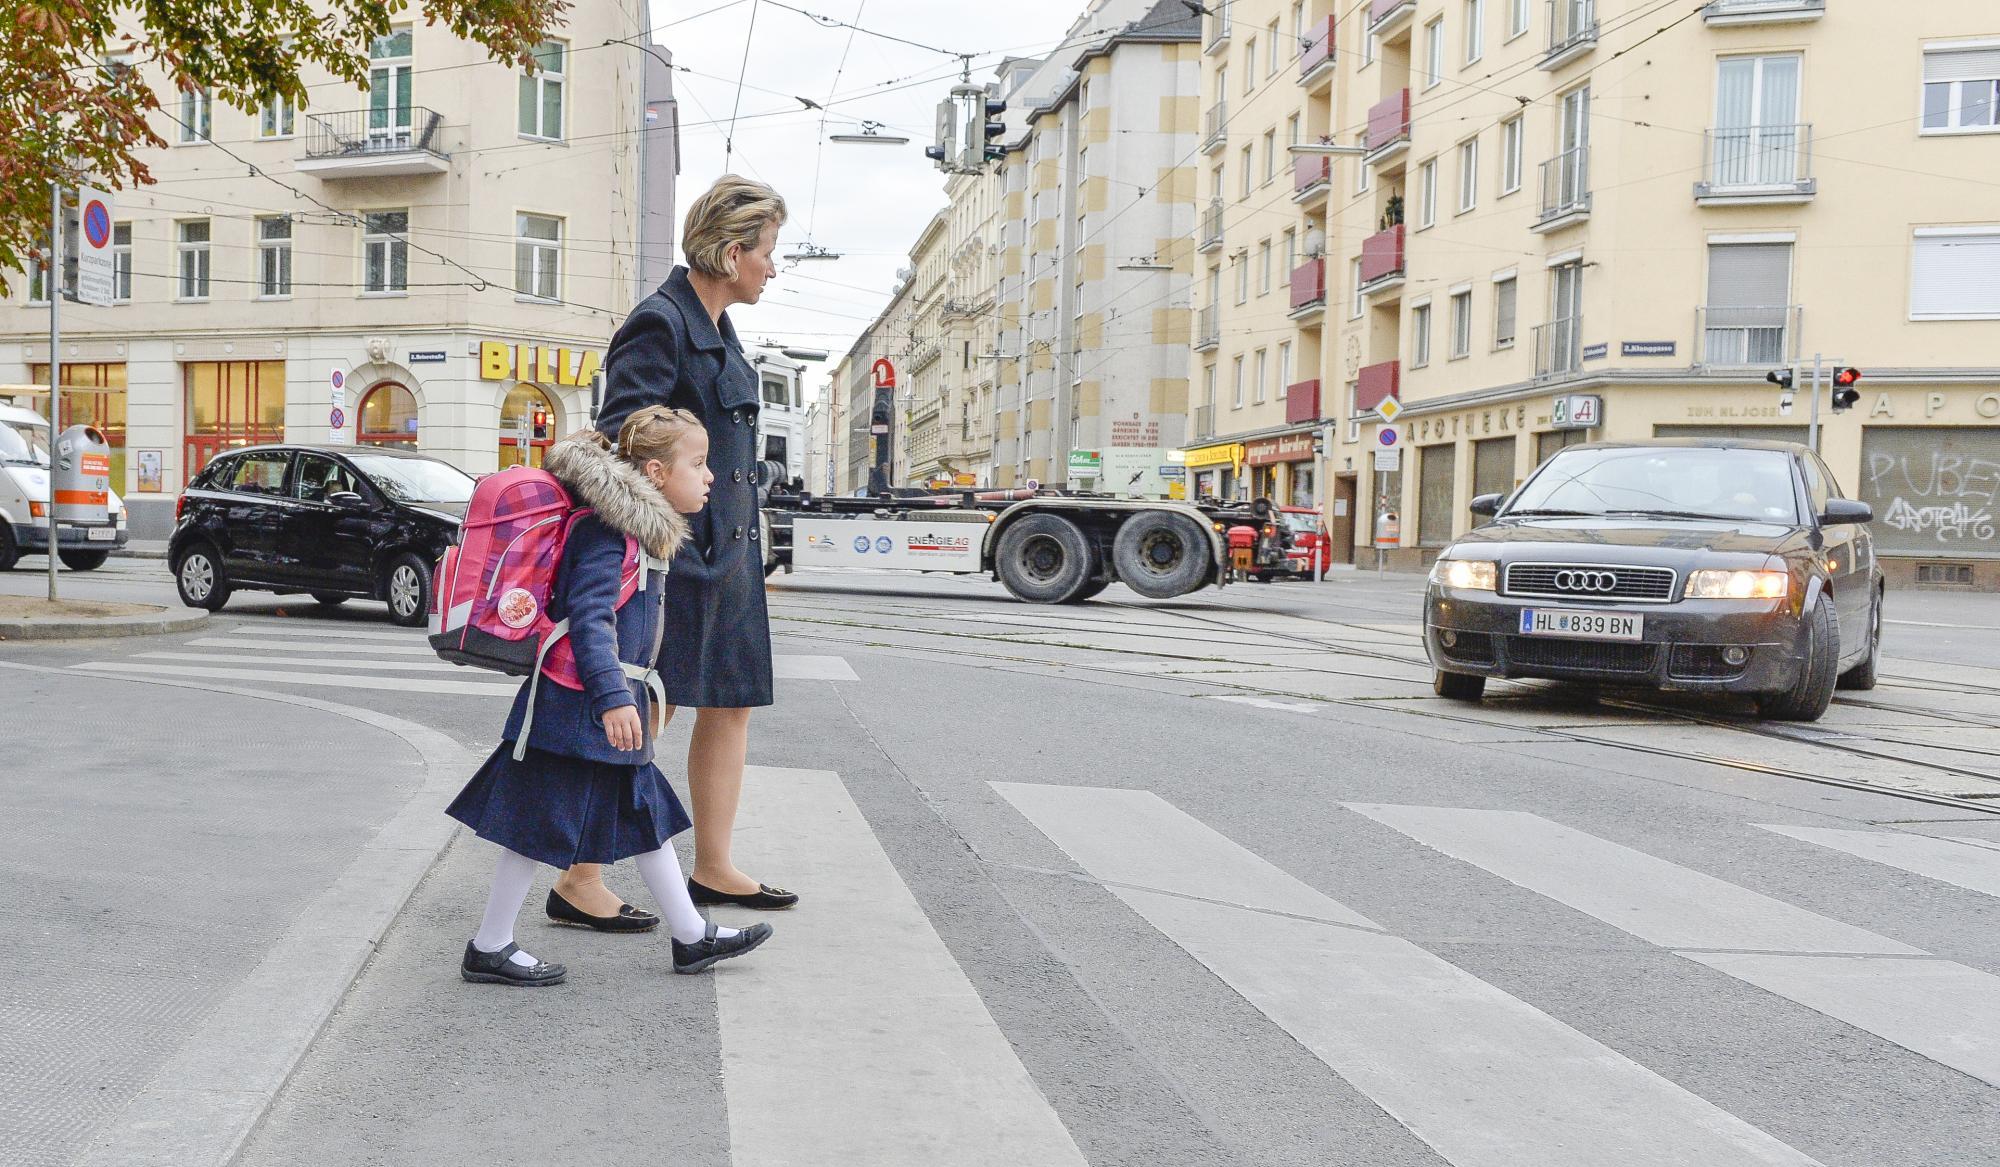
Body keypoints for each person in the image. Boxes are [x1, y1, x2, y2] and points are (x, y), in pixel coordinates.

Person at [448, 407, 773, 985]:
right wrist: (614, 698)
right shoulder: (609, 532)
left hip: (594, 704)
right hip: (575, 703)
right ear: (653, 472)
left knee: (642, 813)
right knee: (535, 824)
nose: (709, 476)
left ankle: (690, 935)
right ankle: (490, 944)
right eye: (697, 464)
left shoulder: (641, 535)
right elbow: (590, 620)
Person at [554, 175, 797, 918]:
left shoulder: (718, 329)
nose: (773, 267)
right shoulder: (660, 322)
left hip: (730, 557)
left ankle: (715, 865)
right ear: (731, 252)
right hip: (677, 556)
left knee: (729, 705)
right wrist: (665, 545)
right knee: (643, 707)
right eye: (767, 252)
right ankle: (579, 873)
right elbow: (625, 443)